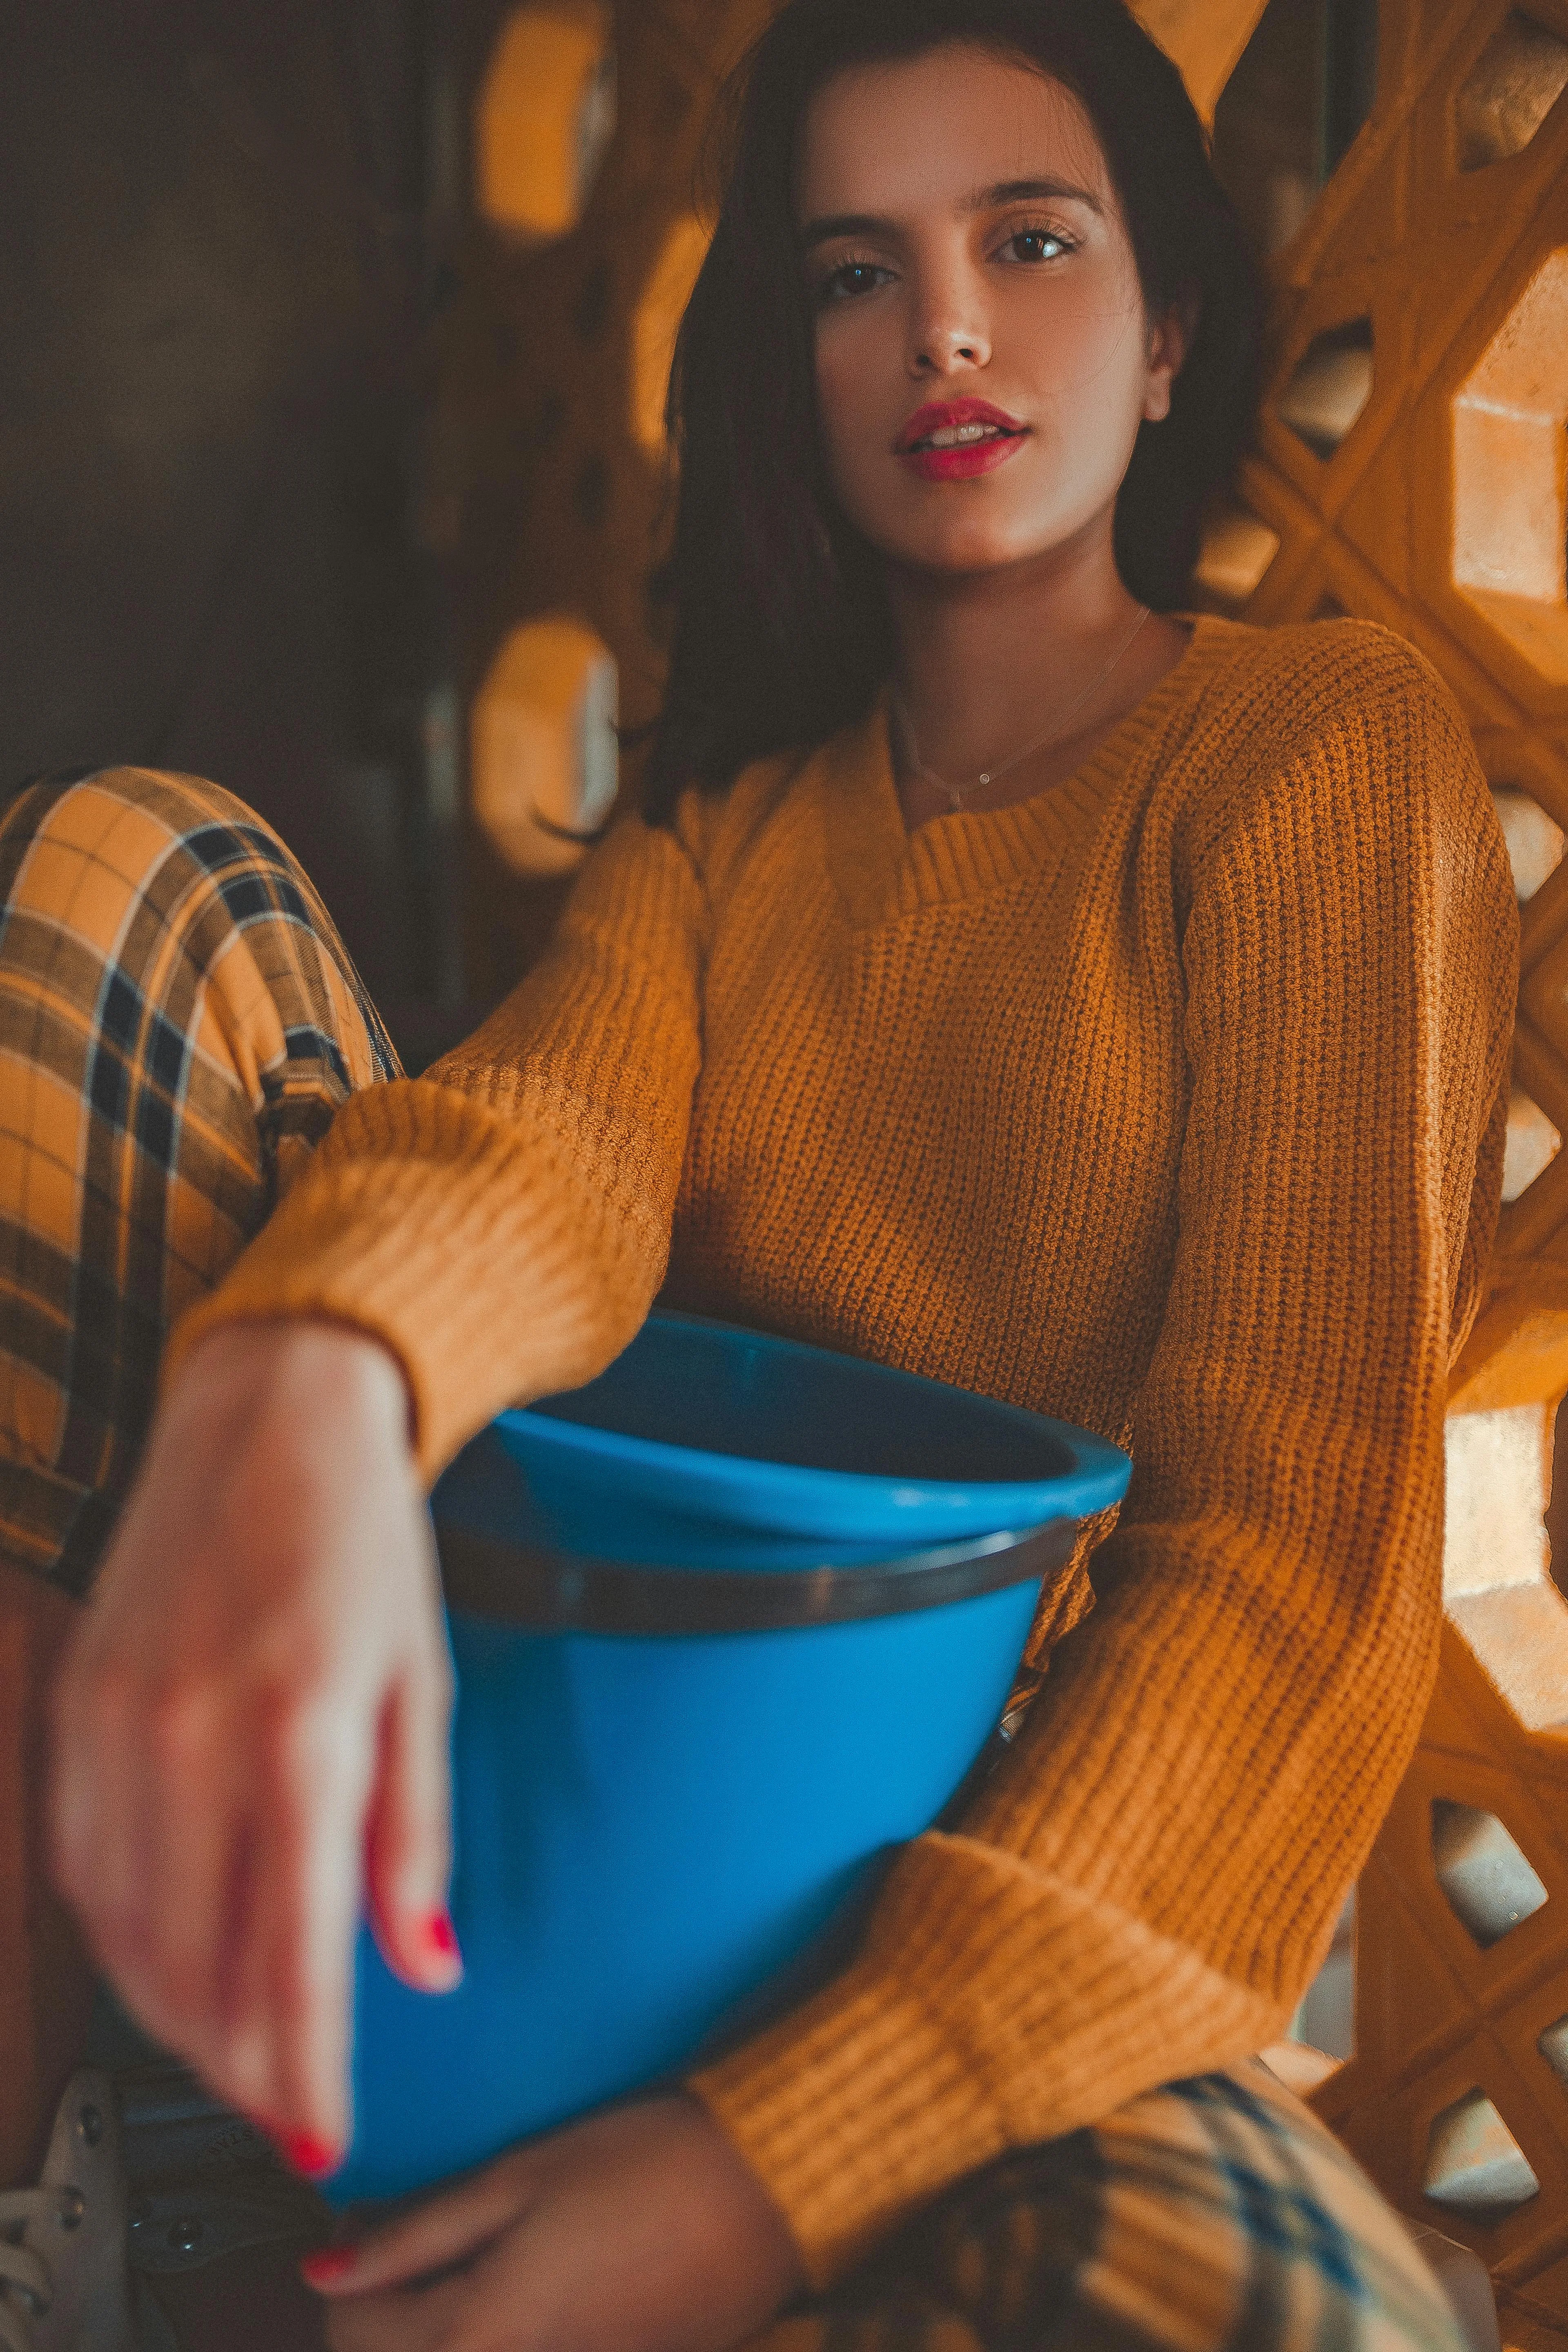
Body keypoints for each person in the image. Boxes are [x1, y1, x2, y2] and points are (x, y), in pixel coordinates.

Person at [1, 0, 1518, 2345]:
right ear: (796, 375)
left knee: (1287, 2310)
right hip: (556, 1786)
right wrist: (307, 1376)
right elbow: (554, 1143)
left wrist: (754, 2174)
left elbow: (1279, 1571)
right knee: (140, 876)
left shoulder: (1311, 758)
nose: (944, 331)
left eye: (1032, 242)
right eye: (853, 273)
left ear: (1165, 340)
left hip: (975, 1943)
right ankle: (63, 2148)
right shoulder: (732, 828)